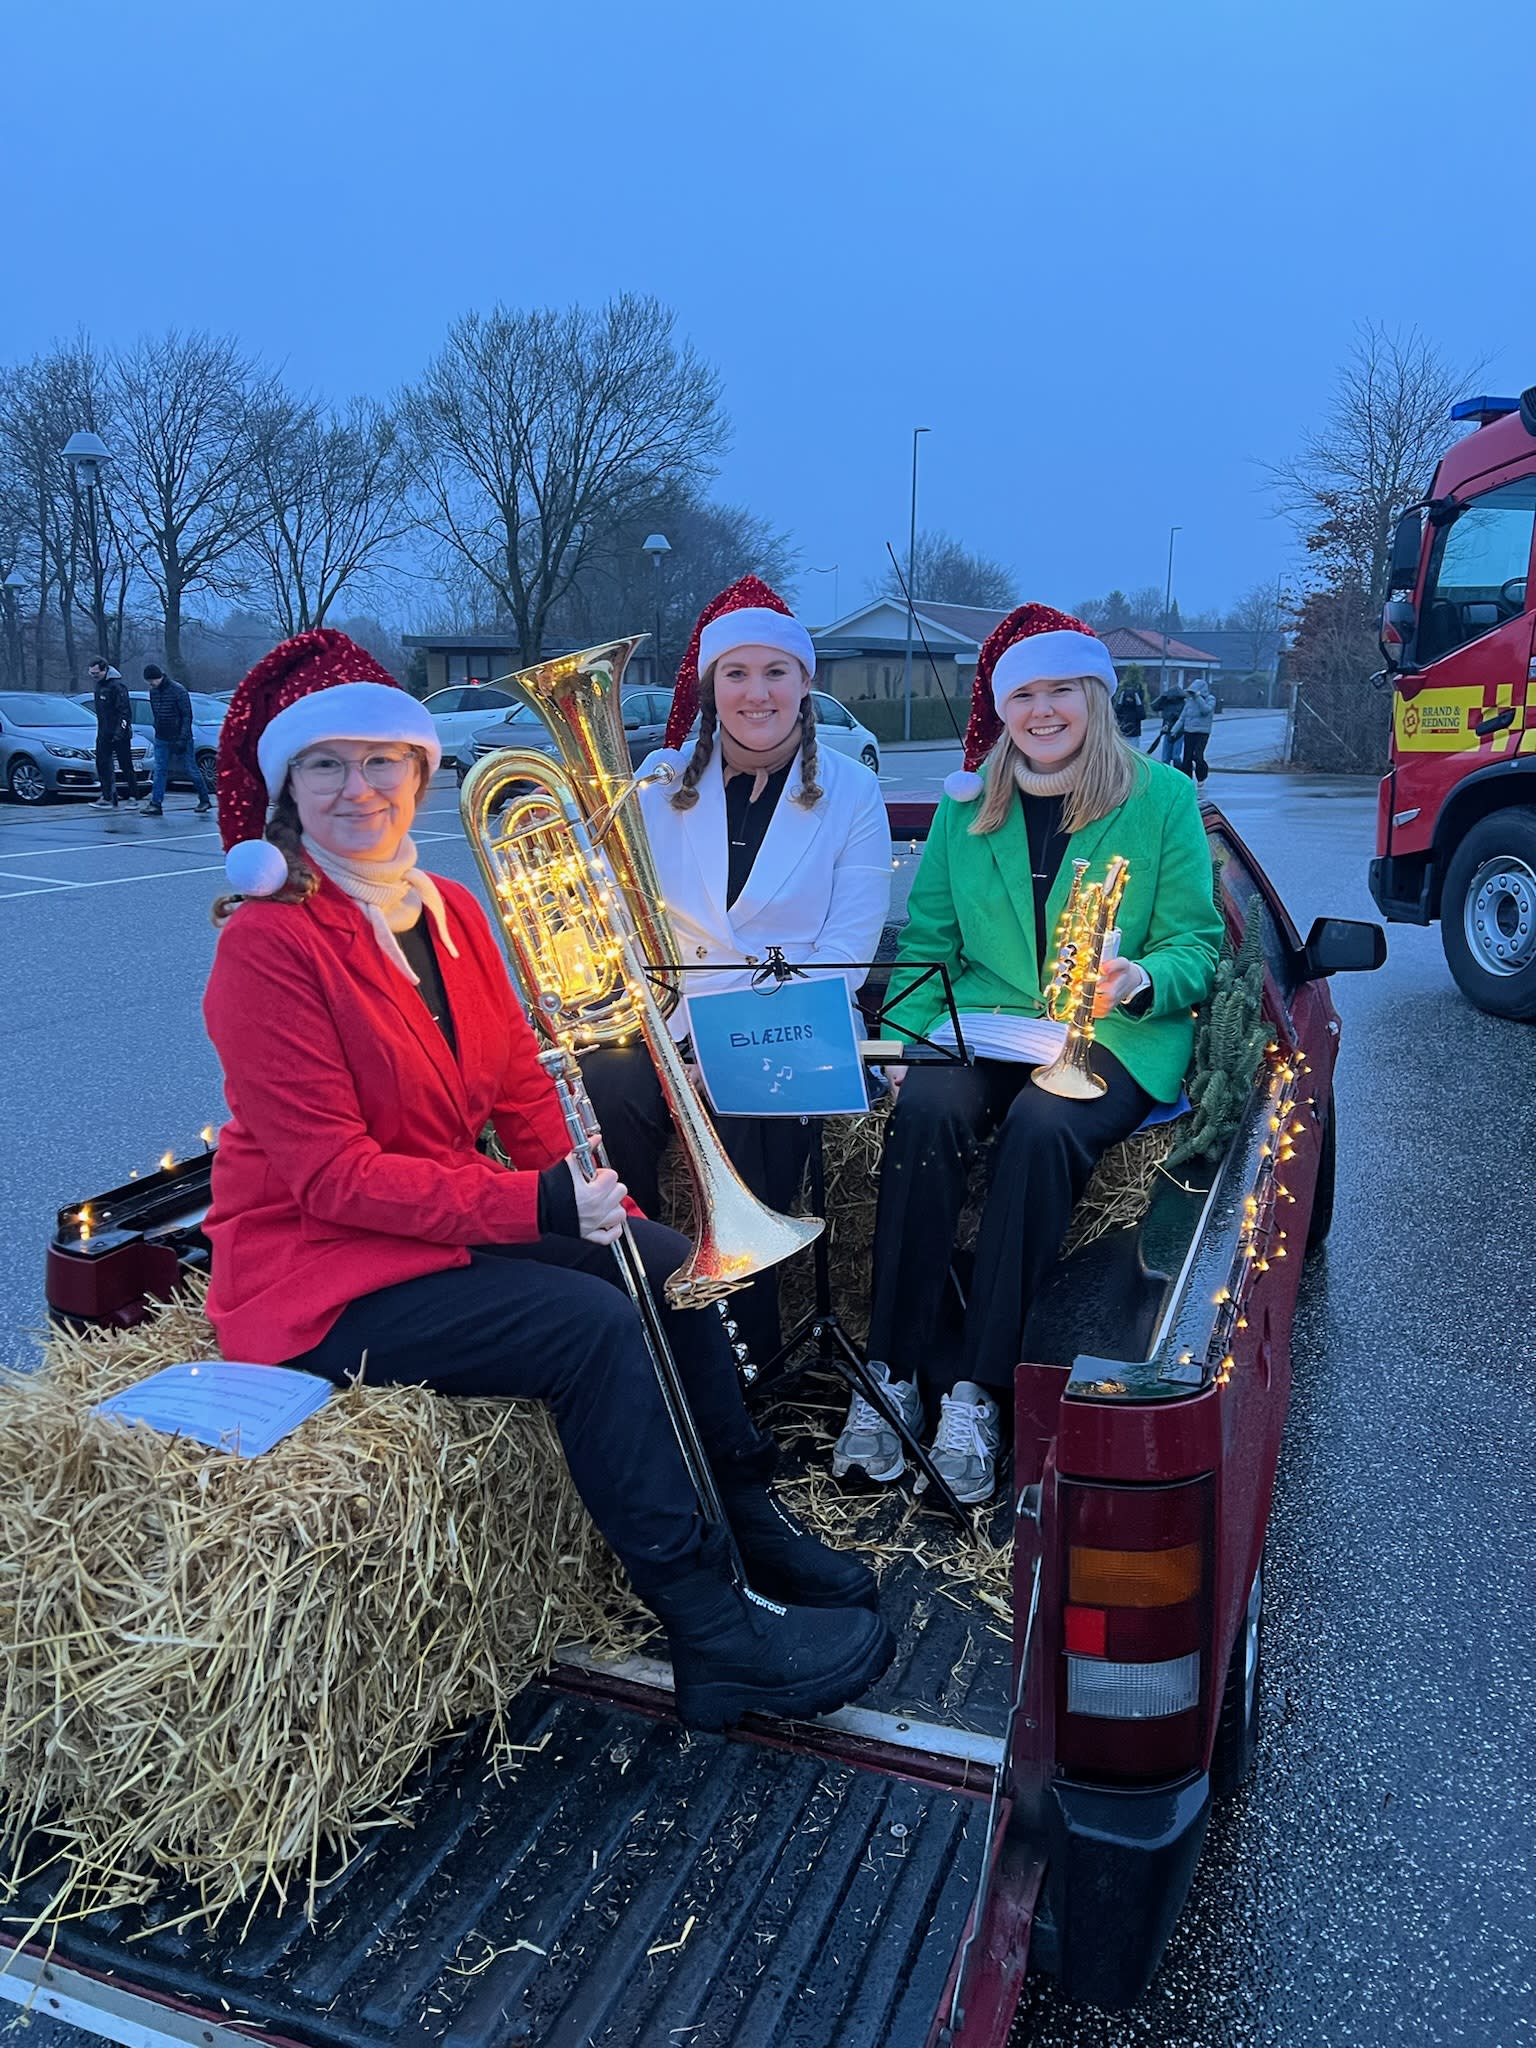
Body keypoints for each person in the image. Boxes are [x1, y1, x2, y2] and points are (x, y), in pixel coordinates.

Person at [201, 628, 892, 1733]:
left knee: (668, 1266)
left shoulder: (446, 908)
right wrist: (537, 1205)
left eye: (381, 761)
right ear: (287, 787)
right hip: (322, 1274)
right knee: (588, 1327)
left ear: (419, 772)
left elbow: (521, 1083)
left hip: (428, 1225)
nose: (358, 787)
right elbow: (331, 1178)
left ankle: (746, 1514)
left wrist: (595, 1196)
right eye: (325, 764)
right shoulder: (268, 945)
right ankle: (711, 1630)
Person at [834, 606, 1223, 1505]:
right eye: (1023, 696)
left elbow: (1197, 946)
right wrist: (908, 1043)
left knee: (1044, 1127)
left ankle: (978, 1392)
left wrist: (1138, 978)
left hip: (1109, 1029)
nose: (1042, 712)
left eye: (1060, 692)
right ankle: (891, 1372)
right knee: (924, 1111)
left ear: (1095, 697)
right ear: (1001, 708)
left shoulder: (1163, 798)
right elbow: (928, 942)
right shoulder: (966, 802)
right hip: (988, 1020)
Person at [579, 577, 892, 1368]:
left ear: (805, 682)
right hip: (669, 1015)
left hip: (788, 1019)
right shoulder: (655, 781)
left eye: (775, 672)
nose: (757, 693)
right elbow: (622, 921)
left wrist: (728, 1045)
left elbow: (847, 948)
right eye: (737, 674)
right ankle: (633, 1317)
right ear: (711, 687)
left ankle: (743, 1362)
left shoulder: (853, 789)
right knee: (607, 1089)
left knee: (755, 1111)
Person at [142, 662, 212, 815]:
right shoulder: (154, 692)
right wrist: (157, 727)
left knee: (191, 769)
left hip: (179, 736)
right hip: (162, 736)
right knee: (160, 770)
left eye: (152, 680)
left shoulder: (178, 690)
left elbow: (187, 715)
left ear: (159, 677)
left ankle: (204, 799)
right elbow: (156, 713)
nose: (151, 684)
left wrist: (183, 738)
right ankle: (156, 803)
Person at [87, 657, 142, 808]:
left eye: (96, 673)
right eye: (91, 673)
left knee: (126, 765)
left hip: (119, 734)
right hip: (104, 732)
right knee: (102, 764)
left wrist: (120, 732)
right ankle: (107, 796)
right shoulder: (99, 686)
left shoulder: (117, 687)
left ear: (105, 670)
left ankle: (133, 796)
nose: (94, 676)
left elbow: (125, 712)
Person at [1173, 675, 1216, 782]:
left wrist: (1198, 697)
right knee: (1187, 758)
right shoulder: (1189, 701)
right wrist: (1174, 730)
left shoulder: (1210, 699)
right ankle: (1187, 779)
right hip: (1189, 732)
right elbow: (1182, 718)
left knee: (1198, 756)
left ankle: (1201, 777)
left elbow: (1206, 710)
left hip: (1203, 732)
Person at [1148, 678, 1185, 767]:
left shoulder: (1183, 704)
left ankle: (1178, 772)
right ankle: (1167, 773)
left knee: (1176, 757)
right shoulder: (1166, 702)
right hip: (1167, 732)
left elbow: (1182, 718)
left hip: (1179, 733)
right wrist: (1162, 697)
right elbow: (1154, 706)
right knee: (1165, 759)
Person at [1112, 671, 1145, 740]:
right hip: (1123, 733)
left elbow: (1142, 715)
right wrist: (1121, 698)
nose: (1129, 700)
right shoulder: (1122, 707)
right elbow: (1116, 712)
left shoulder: (1136, 708)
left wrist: (1137, 699)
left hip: (1134, 734)